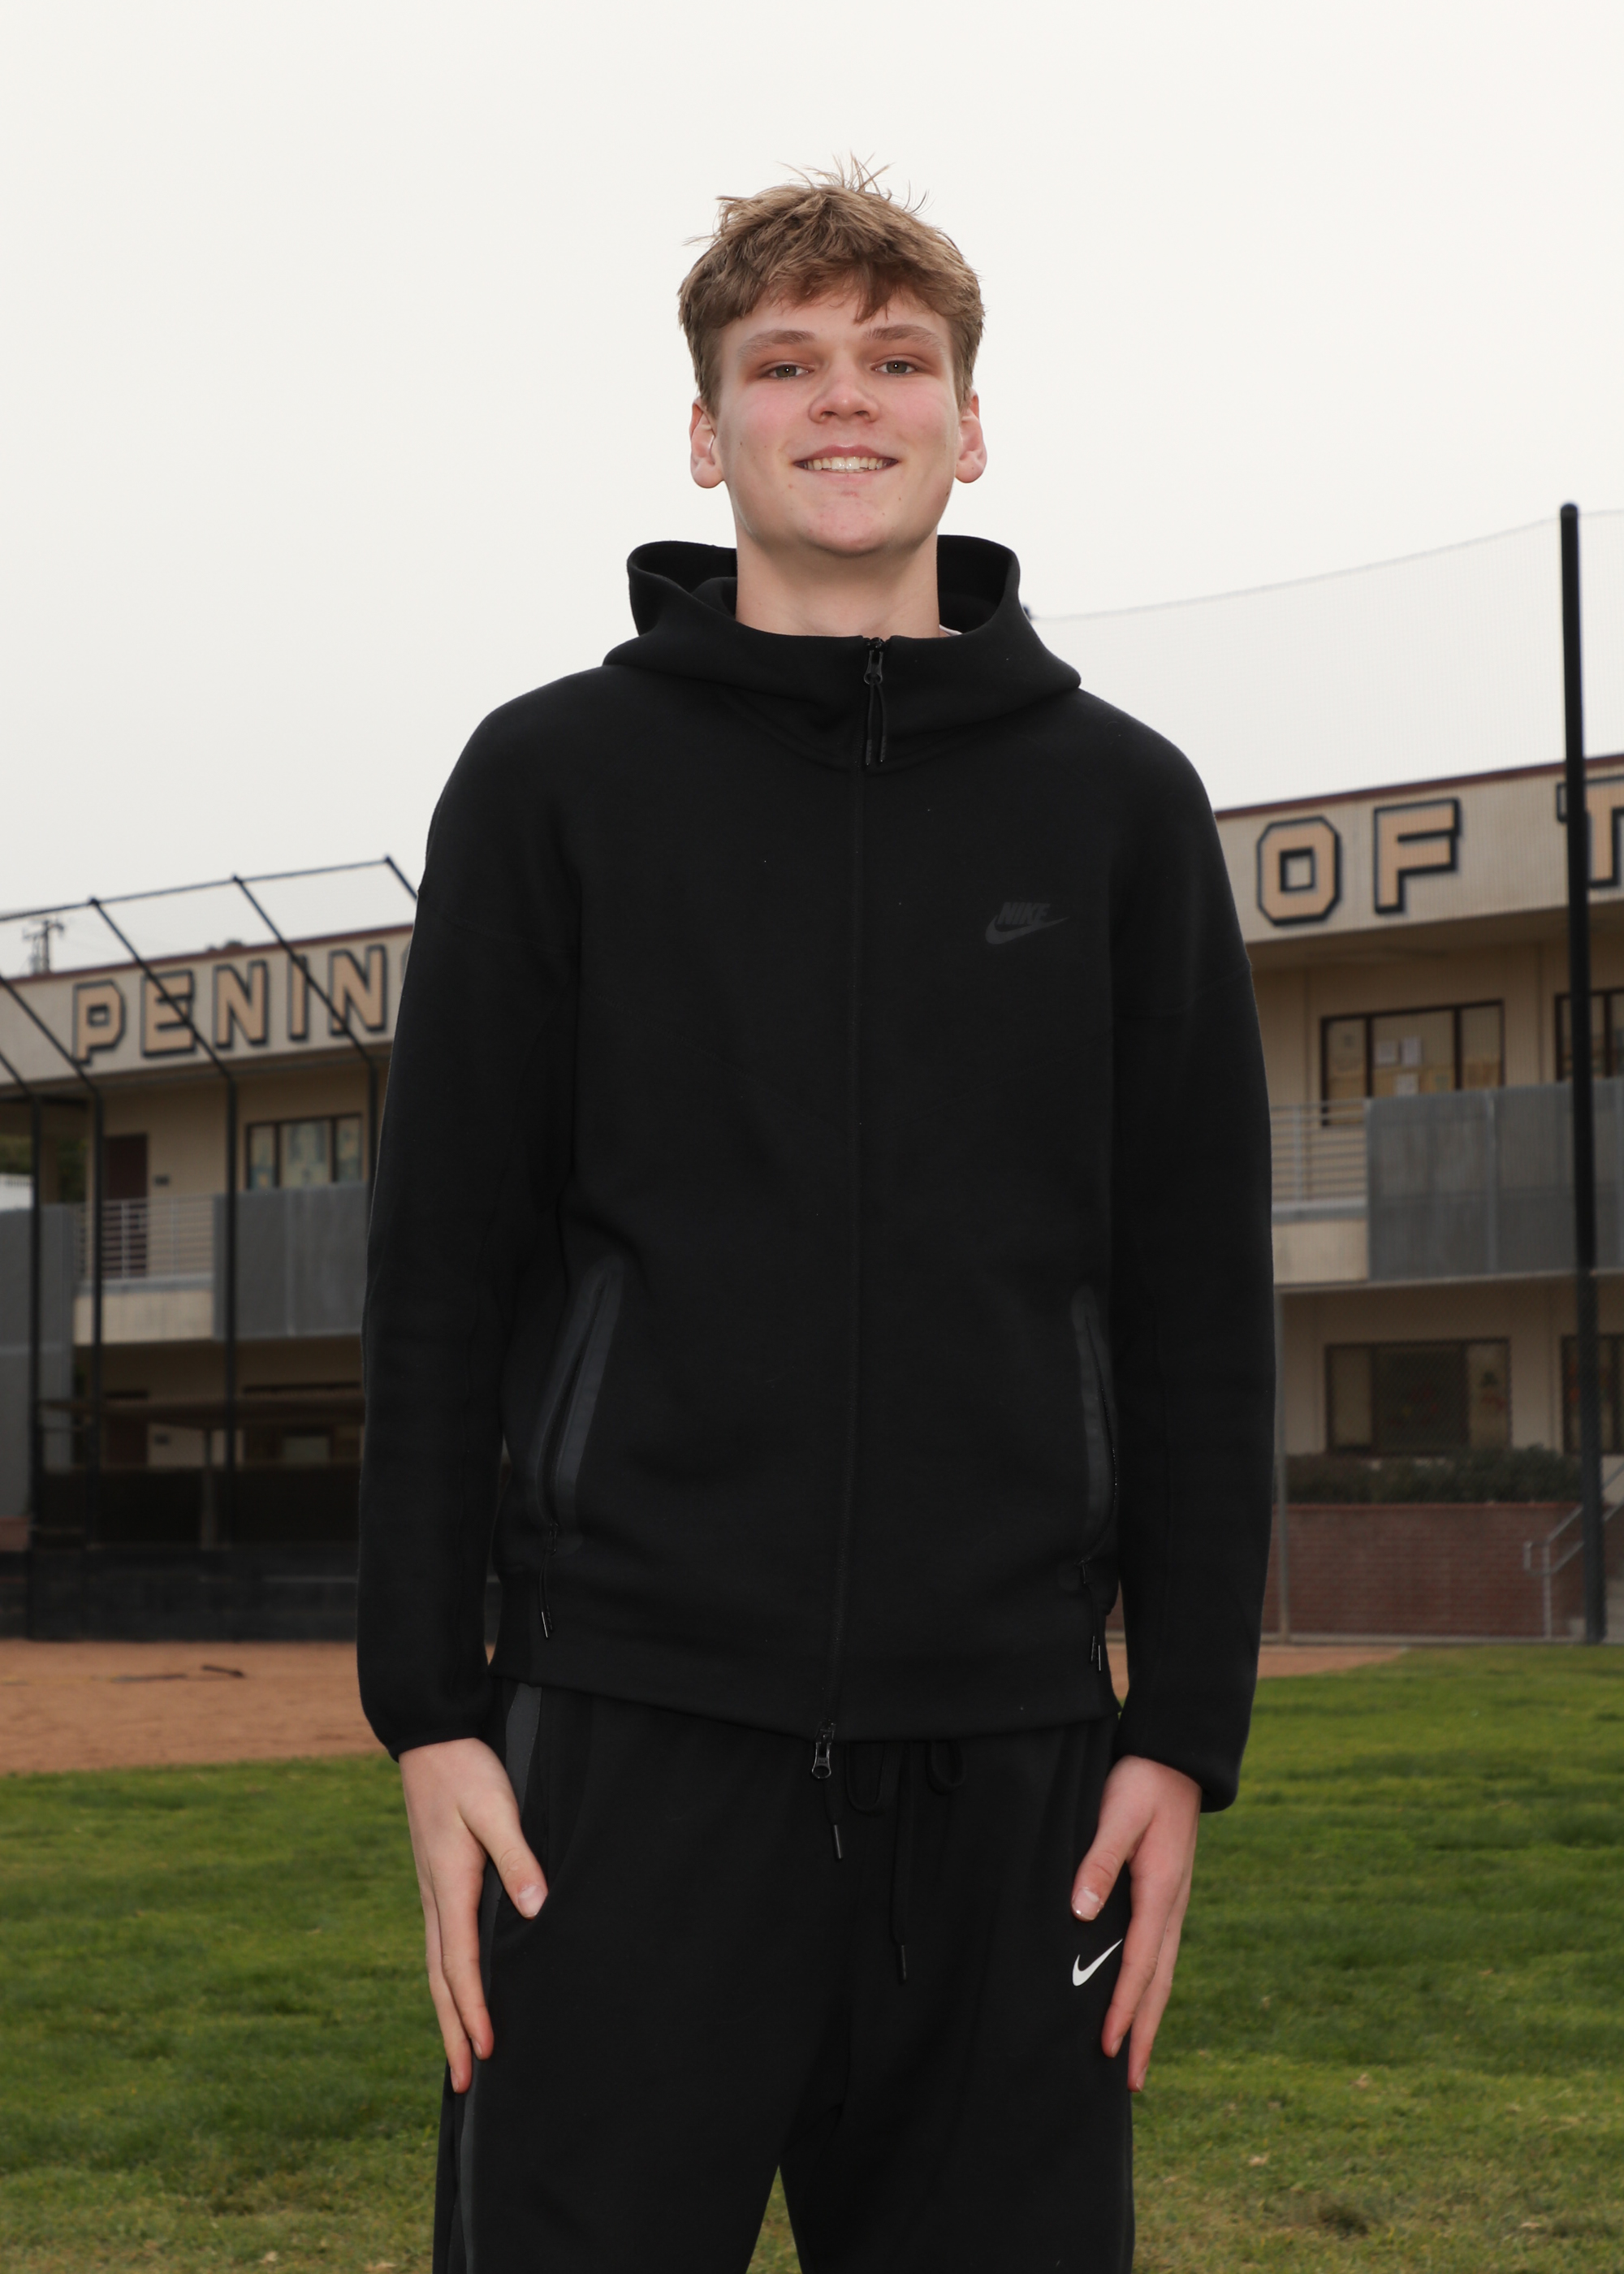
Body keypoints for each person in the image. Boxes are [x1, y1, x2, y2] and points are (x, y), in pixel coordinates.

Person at [357, 163, 1275, 2274]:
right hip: (620, 1754)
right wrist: (430, 1711)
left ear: (972, 424)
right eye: (783, 364)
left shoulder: (1121, 805)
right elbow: (439, 1276)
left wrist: (1180, 1736)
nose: (843, 399)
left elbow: (1197, 1308)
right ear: (708, 435)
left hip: (1018, 1777)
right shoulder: (553, 781)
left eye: (897, 359)